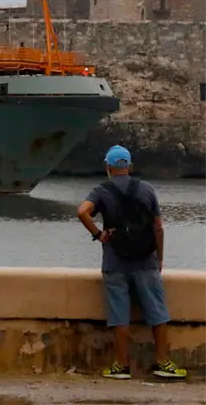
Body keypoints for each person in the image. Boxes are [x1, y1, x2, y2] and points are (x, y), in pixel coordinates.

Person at [76, 145, 186, 380]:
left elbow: (82, 211)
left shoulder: (101, 190)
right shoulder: (146, 189)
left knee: (119, 315)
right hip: (146, 260)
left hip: (115, 262)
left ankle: (121, 366)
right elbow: (158, 227)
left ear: (107, 166)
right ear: (130, 166)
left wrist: (98, 234)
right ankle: (163, 362)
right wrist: (159, 257)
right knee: (157, 312)